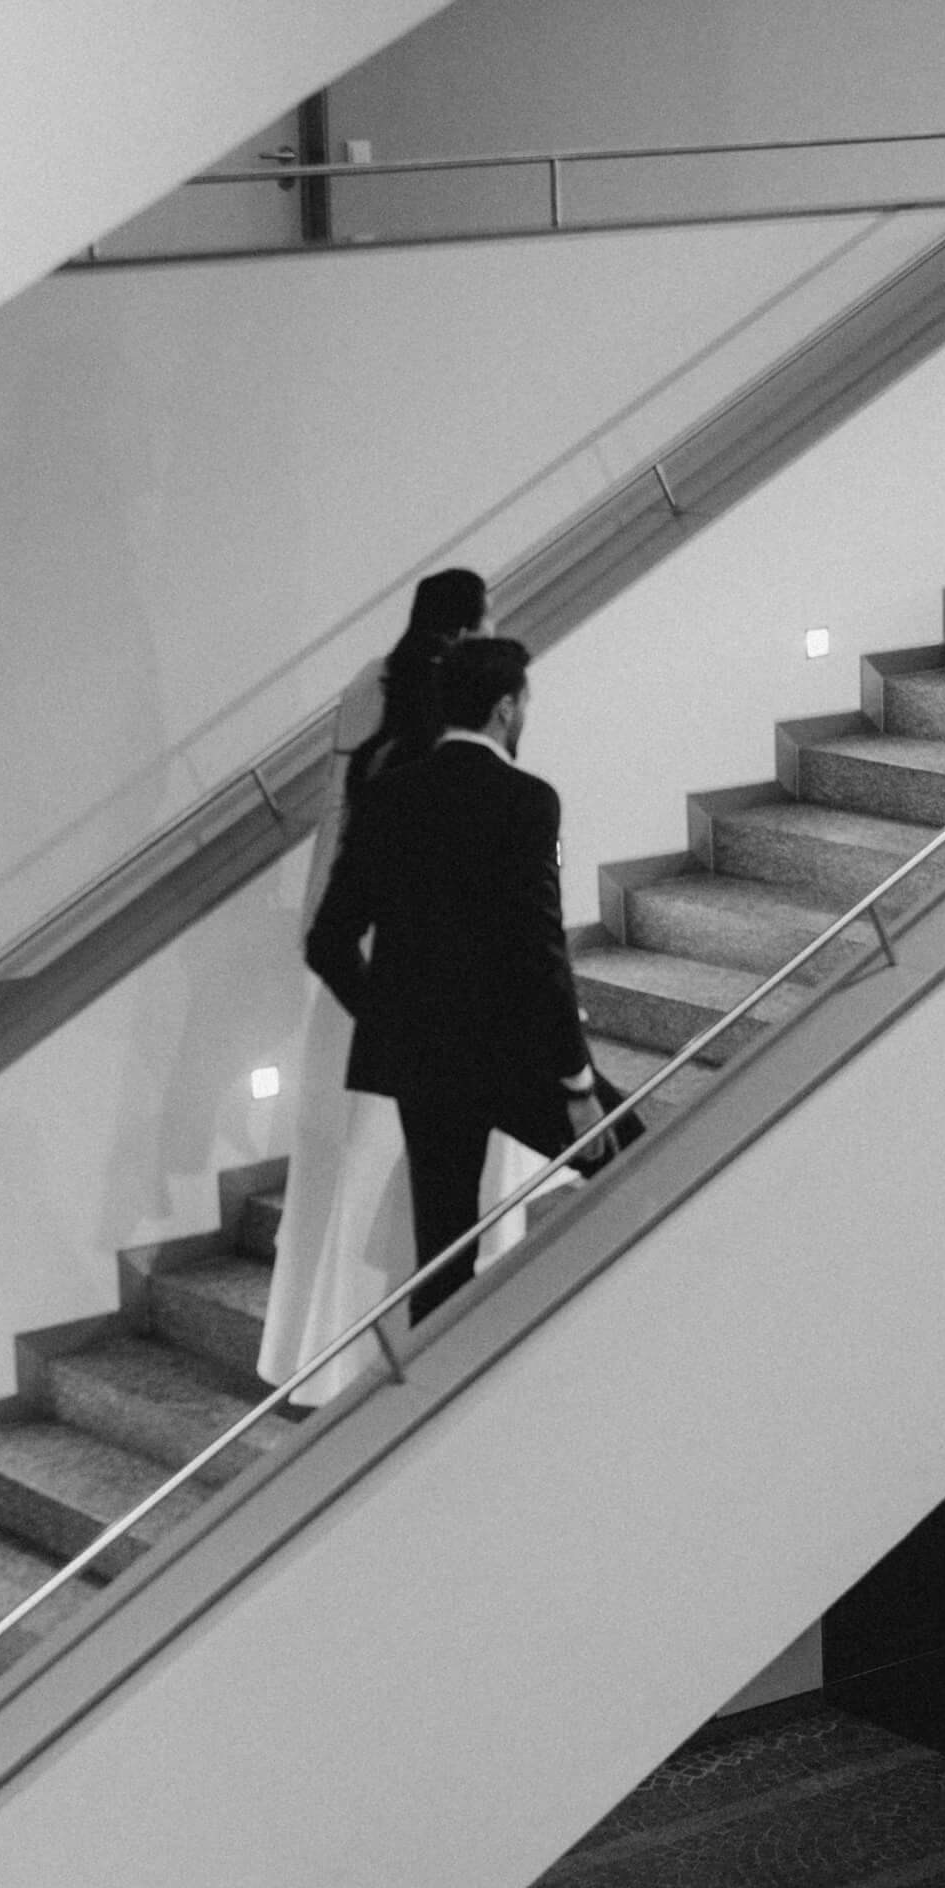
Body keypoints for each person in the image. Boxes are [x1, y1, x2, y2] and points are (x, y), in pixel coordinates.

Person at [259, 571, 552, 1401]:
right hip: (436, 984)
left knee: (345, 1168)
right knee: (433, 1193)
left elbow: (334, 878)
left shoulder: (365, 690)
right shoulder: (456, 743)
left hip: (360, 983)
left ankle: (320, 1359)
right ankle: (441, 1359)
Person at [307, 636, 621, 1326]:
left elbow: (328, 943)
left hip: (425, 1059)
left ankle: (429, 1407)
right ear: (506, 709)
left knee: (443, 1253)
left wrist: (394, 1018)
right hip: (510, 1053)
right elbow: (540, 954)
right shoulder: (527, 800)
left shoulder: (388, 796)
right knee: (639, 1158)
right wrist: (576, 1085)